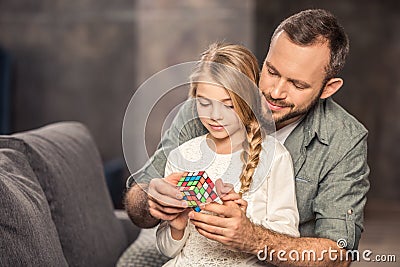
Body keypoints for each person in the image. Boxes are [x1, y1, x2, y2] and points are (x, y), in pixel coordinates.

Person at [124, 9, 370, 266]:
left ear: (328, 88)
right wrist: (154, 201)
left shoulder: (344, 139)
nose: (275, 92)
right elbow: (138, 198)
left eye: (297, 84)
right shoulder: (206, 105)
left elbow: (339, 255)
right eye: (272, 71)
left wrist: (250, 237)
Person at [156, 43, 300, 266]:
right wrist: (177, 225)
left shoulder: (275, 157)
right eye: (204, 103)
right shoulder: (181, 156)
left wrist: (247, 227)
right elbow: (167, 250)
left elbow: (288, 239)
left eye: (229, 105)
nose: (215, 115)